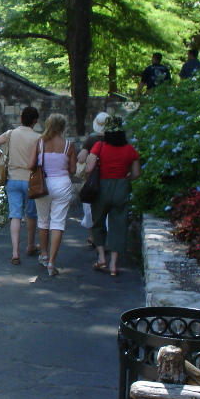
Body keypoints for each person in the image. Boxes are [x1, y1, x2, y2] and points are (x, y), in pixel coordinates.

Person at [84, 115, 141, 277]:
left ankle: (102, 257)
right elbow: (136, 173)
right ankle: (114, 265)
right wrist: (124, 178)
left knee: (98, 222)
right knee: (119, 224)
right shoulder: (130, 149)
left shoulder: (99, 147)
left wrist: (90, 181)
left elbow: (89, 169)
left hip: (102, 186)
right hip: (121, 187)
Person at [0, 106, 40, 265]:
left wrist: (2, 156)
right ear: (35, 121)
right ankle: (30, 246)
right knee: (31, 214)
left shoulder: (10, 134)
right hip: (30, 180)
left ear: (21, 118)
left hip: (12, 179)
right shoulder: (38, 138)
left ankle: (15, 252)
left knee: (15, 215)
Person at [26, 113, 76, 277]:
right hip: (62, 184)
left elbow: (30, 165)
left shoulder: (39, 143)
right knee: (58, 222)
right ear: (62, 127)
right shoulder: (69, 145)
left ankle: (45, 254)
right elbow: (73, 170)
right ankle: (52, 262)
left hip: (43, 185)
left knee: (43, 220)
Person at [77, 112, 108, 247]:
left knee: (89, 208)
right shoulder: (114, 139)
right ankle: (106, 238)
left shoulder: (91, 139)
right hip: (108, 178)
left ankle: (92, 236)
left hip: (92, 178)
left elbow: (81, 158)